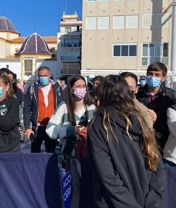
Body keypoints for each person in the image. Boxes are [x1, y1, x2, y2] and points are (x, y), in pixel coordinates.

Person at [88, 75, 165, 208]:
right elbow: (157, 169)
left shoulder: (100, 124)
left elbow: (107, 176)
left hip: (114, 203)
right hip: (143, 201)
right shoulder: (140, 119)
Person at [46, 75, 96, 208]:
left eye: (83, 86)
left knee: (89, 190)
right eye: (78, 87)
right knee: (73, 191)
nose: (81, 89)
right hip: (69, 156)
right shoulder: (64, 107)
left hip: (89, 155)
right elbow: (50, 130)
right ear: (71, 89)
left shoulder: (92, 107)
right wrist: (70, 131)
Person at [136, 62, 176, 150]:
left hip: (163, 141)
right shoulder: (137, 94)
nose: (153, 77)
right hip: (140, 138)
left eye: (157, 75)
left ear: (163, 78)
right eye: (150, 74)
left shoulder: (171, 96)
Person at [23, 66, 63, 153]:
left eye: (45, 75)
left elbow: (62, 107)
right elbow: (26, 108)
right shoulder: (32, 89)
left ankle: (50, 167)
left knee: (51, 152)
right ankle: (35, 167)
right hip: (37, 126)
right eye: (41, 76)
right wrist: (27, 127)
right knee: (35, 151)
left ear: (49, 75)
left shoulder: (57, 88)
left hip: (52, 125)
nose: (43, 78)